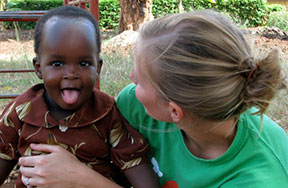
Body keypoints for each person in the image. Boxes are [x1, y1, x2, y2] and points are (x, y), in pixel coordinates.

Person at [18, 9, 288, 187]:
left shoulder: (259, 178)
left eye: (140, 78)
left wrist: (83, 179)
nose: (131, 76)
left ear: (174, 113)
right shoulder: (135, 106)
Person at [0, 6, 161, 188]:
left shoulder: (106, 112)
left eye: (84, 63)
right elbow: (3, 154)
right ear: (38, 68)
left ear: (98, 68)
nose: (71, 74)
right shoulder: (21, 111)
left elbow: (134, 161)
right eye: (57, 63)